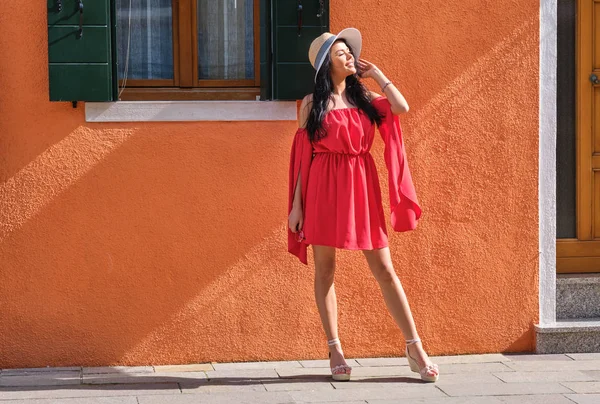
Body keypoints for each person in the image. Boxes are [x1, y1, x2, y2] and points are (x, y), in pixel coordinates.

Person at [287, 28, 439, 383]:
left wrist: (379, 75)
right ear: (327, 64)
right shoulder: (312, 103)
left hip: (361, 183)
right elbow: (301, 158)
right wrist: (297, 207)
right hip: (322, 186)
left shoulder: (366, 98)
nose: (349, 56)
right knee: (325, 269)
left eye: (349, 51)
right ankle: (335, 348)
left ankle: (415, 348)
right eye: (340, 53)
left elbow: (401, 107)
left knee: (385, 269)